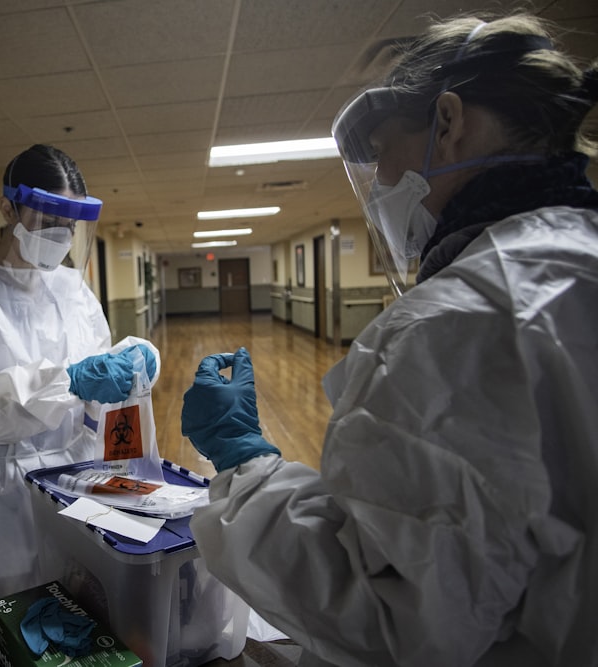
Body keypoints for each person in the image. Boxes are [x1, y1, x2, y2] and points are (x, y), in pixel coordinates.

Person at [180, 13, 598, 667]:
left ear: (449, 120)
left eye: (383, 150)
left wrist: (244, 464)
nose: (379, 182)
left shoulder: (455, 324)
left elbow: (393, 614)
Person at [0, 144, 160, 613]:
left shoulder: (72, 289)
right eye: (47, 221)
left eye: (69, 225)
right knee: (3, 623)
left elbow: (97, 374)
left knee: (84, 615)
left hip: (79, 480)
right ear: (8, 207)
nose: (60, 236)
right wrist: (70, 382)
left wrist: (130, 367)